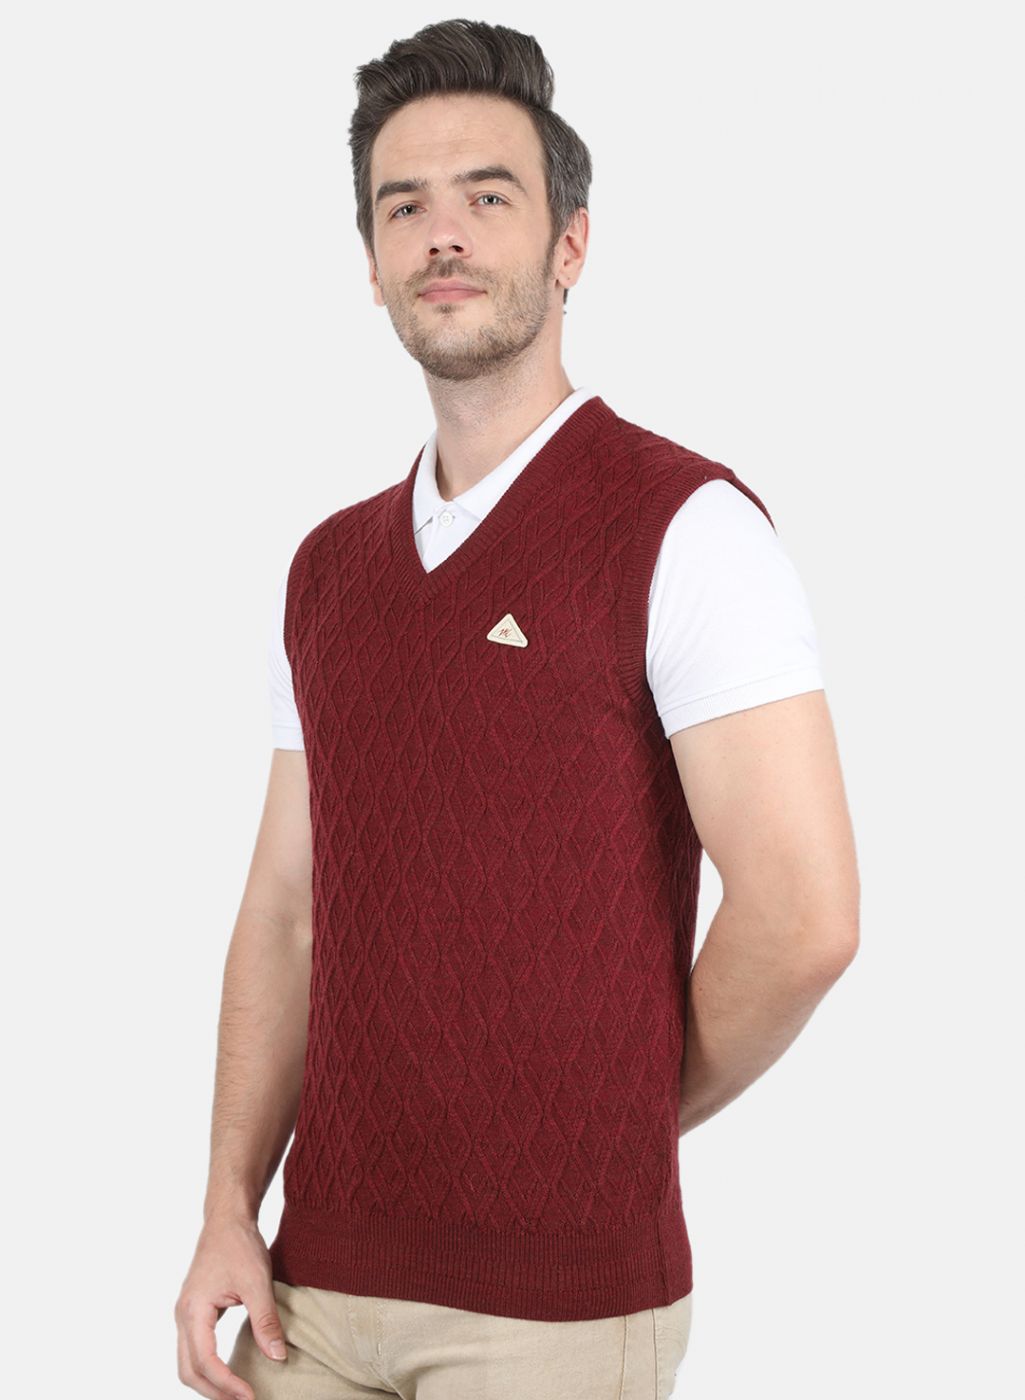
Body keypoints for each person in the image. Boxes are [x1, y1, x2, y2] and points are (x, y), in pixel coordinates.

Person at [174, 18, 860, 1400]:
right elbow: (286, 909)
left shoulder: (685, 527)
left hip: (551, 1314)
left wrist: (613, 1125)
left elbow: (803, 917)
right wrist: (227, 1208)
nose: (443, 234)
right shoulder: (326, 570)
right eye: (403, 207)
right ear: (370, 264)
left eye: (488, 197)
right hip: (315, 1288)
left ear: (570, 245)